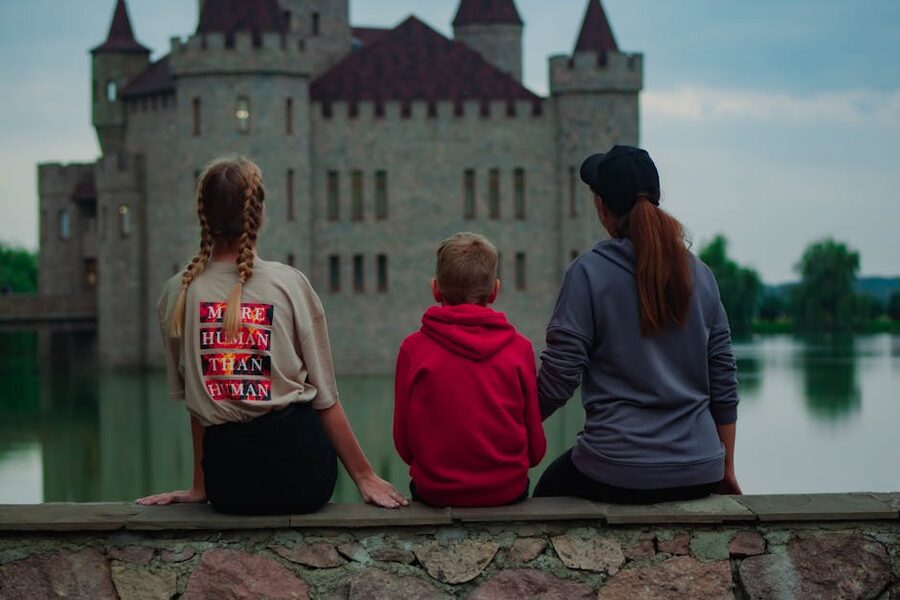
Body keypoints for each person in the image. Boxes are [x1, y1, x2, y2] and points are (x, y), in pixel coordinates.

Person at [137, 157, 407, 514]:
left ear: (202, 215)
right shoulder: (290, 284)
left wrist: (201, 486)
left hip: (230, 488)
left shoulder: (178, 292)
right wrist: (364, 476)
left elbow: (199, 403)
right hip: (303, 479)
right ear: (259, 214)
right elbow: (325, 398)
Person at [534, 145, 741, 503]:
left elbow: (558, 379)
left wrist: (507, 426)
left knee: (545, 495)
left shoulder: (588, 273)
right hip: (700, 469)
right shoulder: (701, 276)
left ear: (601, 207)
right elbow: (723, 380)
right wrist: (726, 469)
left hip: (615, 467)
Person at [393, 232, 546, 507]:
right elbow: (536, 450)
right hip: (507, 491)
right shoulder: (519, 348)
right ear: (495, 291)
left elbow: (404, 445)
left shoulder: (412, 349)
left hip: (435, 491)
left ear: (435, 289)